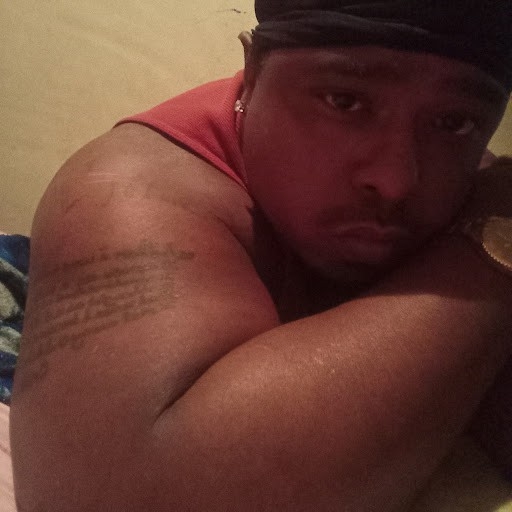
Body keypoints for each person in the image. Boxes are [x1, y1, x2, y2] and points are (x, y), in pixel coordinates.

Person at [10, 1, 512, 510]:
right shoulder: (129, 189)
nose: (396, 180)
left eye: (453, 122)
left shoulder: (465, 181)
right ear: (252, 74)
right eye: (344, 101)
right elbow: (118, 497)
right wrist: (495, 240)